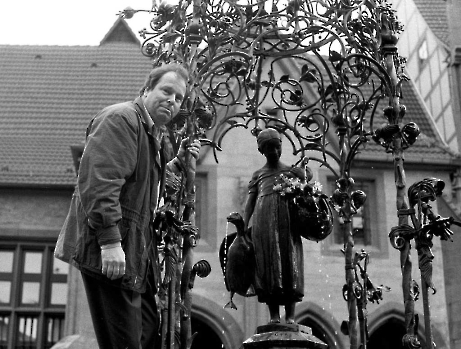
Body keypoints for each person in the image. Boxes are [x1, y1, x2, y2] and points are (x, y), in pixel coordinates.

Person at [55, 63, 201, 349]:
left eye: (179, 98)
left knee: (146, 331)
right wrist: (110, 242)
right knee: (125, 342)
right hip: (113, 251)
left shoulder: (152, 135)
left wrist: (175, 163)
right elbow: (100, 182)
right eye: (166, 90)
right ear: (147, 90)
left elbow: (141, 183)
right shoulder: (121, 119)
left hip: (136, 254)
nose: (172, 100)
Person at [243, 128, 304, 324]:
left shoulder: (290, 172)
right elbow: (250, 202)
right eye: (269, 149)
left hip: (286, 221)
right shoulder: (259, 174)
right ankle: (274, 316)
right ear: (262, 151)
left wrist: (304, 183)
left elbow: (302, 197)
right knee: (268, 264)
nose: (274, 152)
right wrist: (244, 226)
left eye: (277, 148)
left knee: (289, 261)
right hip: (263, 222)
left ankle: (292, 316)